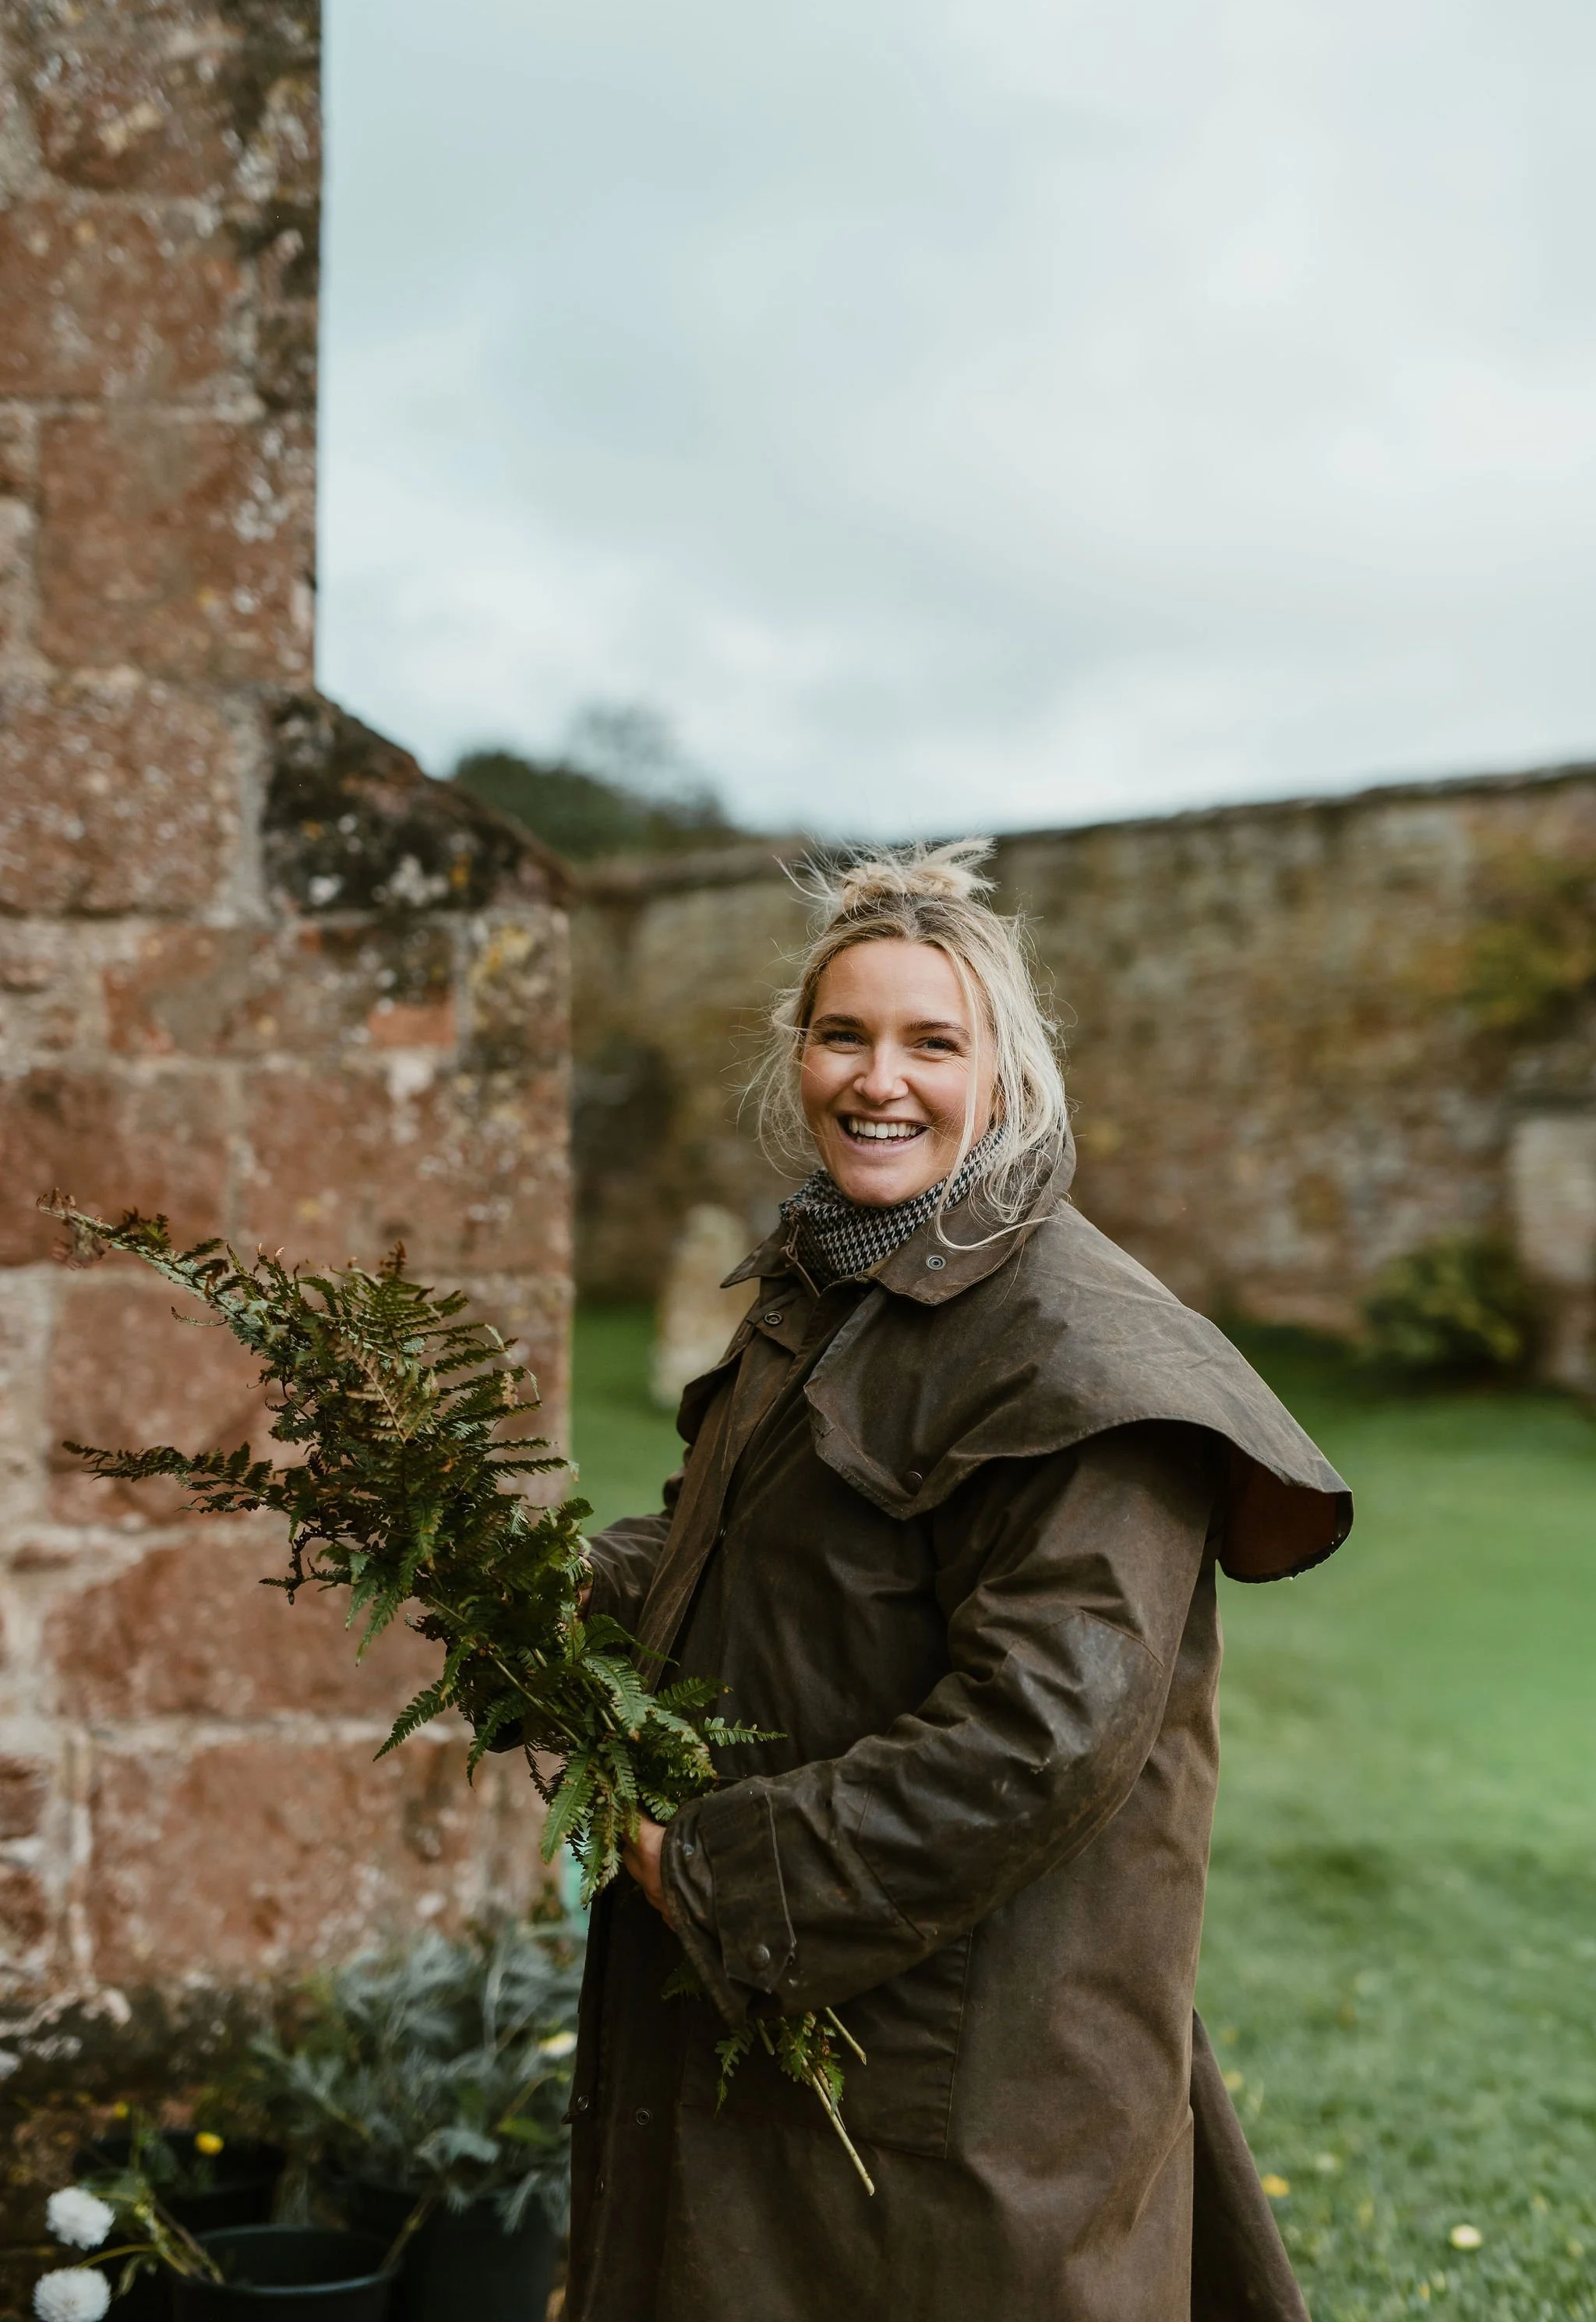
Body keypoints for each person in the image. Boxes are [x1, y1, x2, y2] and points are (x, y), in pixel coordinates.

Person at [563, 841, 1349, 2322]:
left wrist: (728, 1875)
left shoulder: (1076, 1347)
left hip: (968, 2058)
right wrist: (543, 1586)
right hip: (820, 2040)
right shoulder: (838, 1283)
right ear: (795, 1056)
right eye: (843, 1034)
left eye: (934, 1042)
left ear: (1009, 1076)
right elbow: (740, 1546)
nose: (880, 1080)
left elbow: (1042, 1735)